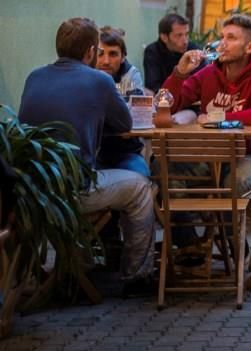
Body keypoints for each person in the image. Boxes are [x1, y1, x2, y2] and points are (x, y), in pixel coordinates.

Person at [18, 17, 156, 296]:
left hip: (34, 189)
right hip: (73, 190)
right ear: (91, 51)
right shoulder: (100, 80)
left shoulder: (34, 76)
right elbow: (126, 125)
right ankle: (136, 276)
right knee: (142, 187)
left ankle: (81, 267)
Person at [162, 14, 251, 195]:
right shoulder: (209, 72)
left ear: (250, 47)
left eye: (231, 38)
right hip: (210, 155)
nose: (222, 43)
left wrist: (217, 118)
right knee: (163, 169)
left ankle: (228, 224)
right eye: (222, 37)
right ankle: (187, 223)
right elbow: (166, 106)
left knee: (238, 181)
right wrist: (179, 74)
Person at [95, 26, 148, 176]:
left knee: (142, 175)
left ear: (123, 56)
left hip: (126, 151)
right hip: (93, 152)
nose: (105, 61)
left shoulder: (131, 74)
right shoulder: (87, 73)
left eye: (113, 54)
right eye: (100, 54)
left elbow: (137, 116)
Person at [143, 13, 202, 92]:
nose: (185, 41)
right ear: (164, 37)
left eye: (187, 34)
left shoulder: (193, 50)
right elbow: (153, 87)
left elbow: (200, 83)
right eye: (179, 35)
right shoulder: (152, 52)